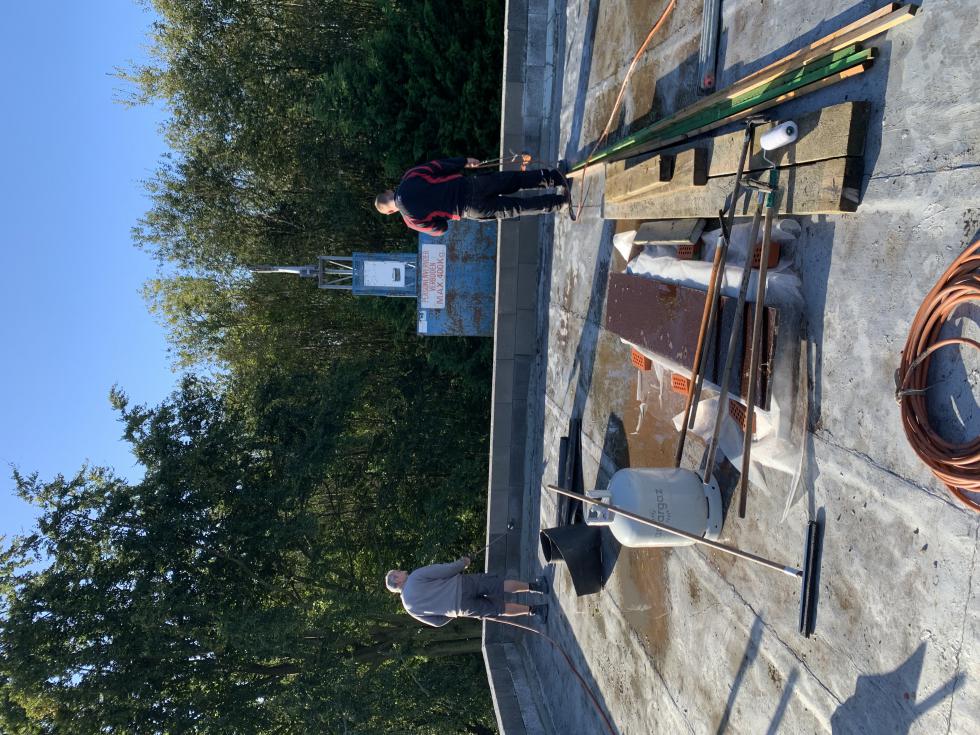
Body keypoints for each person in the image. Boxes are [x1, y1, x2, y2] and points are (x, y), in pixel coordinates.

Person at [374, 156, 568, 236]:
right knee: (515, 180)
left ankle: (560, 202)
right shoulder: (409, 177)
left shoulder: (411, 220)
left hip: (470, 209)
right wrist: (465, 161)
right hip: (472, 185)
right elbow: (439, 166)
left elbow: (440, 229)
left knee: (518, 207)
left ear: (390, 211)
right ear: (388, 192)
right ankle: (557, 177)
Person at [385, 556, 549, 626]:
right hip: (464, 585)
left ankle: (535, 611)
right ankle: (538, 587)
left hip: (462, 609)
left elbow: (437, 622)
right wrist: (463, 562)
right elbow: (445, 570)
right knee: (499, 585)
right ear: (397, 579)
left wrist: (452, 612)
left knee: (499, 609)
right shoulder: (415, 577)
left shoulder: (409, 608)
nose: (402, 571)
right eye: (398, 572)